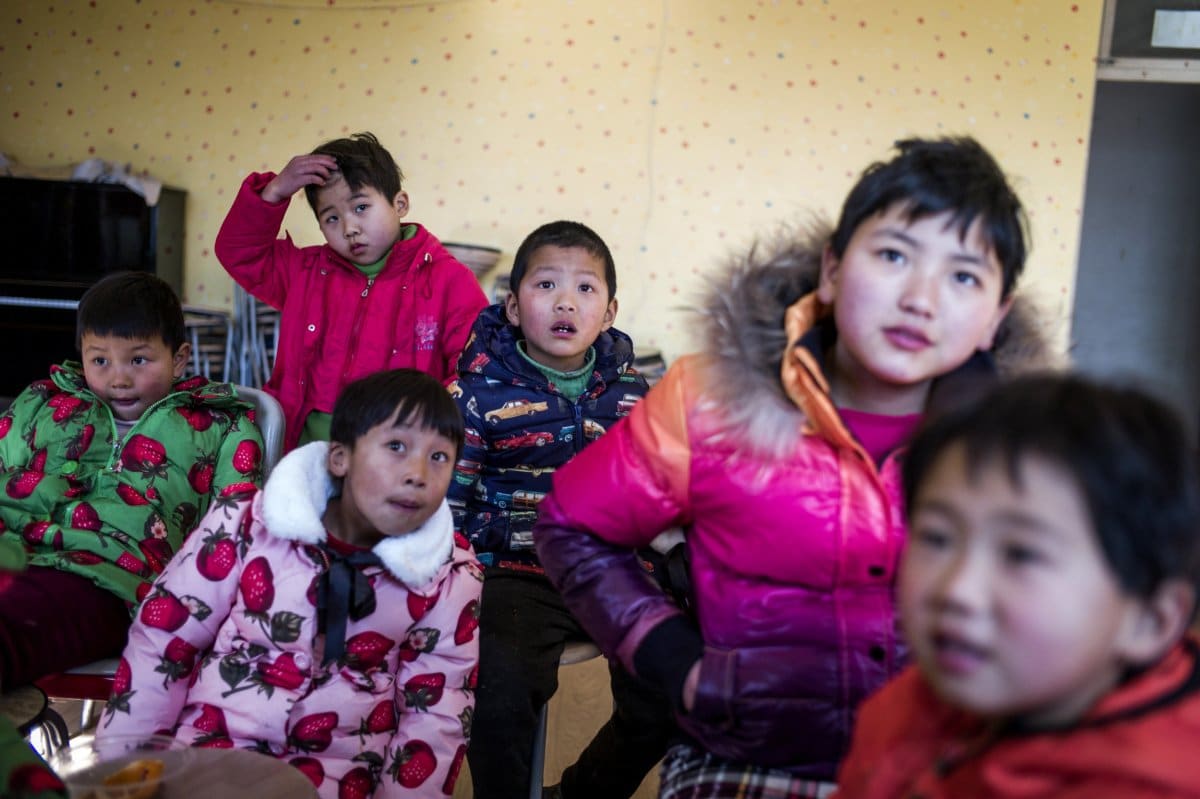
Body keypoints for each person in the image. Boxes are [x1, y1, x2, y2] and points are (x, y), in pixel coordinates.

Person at [533, 137, 1052, 797]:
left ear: (995, 317)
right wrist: (671, 655)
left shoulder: (1029, 445)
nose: (922, 299)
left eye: (963, 277)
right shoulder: (711, 397)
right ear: (833, 271)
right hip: (744, 752)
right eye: (894, 255)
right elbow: (571, 524)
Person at [100, 369, 483, 798]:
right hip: (213, 755)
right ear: (341, 458)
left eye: (439, 457)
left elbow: (436, 718)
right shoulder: (246, 524)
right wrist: (129, 766)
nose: (418, 473)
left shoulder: (448, 578)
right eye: (396, 446)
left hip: (335, 778)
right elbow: (163, 639)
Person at [833, 374, 1200, 798]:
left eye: (1021, 554)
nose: (957, 591)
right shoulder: (908, 707)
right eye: (937, 538)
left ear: (1150, 622)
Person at [447, 220, 672, 799]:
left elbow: (652, 488)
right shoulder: (474, 394)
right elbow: (449, 501)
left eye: (585, 289)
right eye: (546, 285)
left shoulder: (632, 392)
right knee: (498, 689)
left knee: (670, 687)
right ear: (514, 307)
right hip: (513, 569)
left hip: (614, 569)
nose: (566, 301)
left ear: (610, 310)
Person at [0, 271, 264, 689]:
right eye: (100, 360)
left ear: (178, 359)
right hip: (13, 544)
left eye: (138, 360)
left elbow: (237, 529)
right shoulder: (43, 402)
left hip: (108, 578)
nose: (118, 378)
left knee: (15, 625)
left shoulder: (220, 426)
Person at [214, 131, 489, 452]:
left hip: (396, 456)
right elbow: (239, 252)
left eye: (360, 207)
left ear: (399, 204)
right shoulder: (305, 272)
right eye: (332, 218)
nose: (349, 228)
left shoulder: (447, 279)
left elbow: (474, 368)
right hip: (299, 453)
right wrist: (274, 192)